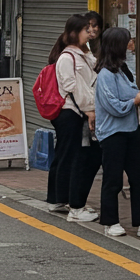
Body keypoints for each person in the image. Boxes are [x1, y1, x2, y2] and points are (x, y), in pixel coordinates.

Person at [93, 27, 140, 238]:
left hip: (130, 130)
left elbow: (129, 94)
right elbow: (113, 105)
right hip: (113, 133)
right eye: (128, 41)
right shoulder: (105, 74)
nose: (132, 44)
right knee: (113, 178)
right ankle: (110, 221)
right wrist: (136, 100)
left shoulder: (123, 70)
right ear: (118, 45)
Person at [46, 15, 99, 221]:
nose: (91, 32)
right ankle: (64, 201)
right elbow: (71, 87)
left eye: (93, 28)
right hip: (70, 112)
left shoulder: (84, 53)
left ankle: (59, 199)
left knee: (67, 154)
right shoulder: (68, 57)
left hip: (78, 111)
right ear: (75, 32)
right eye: (87, 29)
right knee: (71, 155)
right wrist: (88, 109)